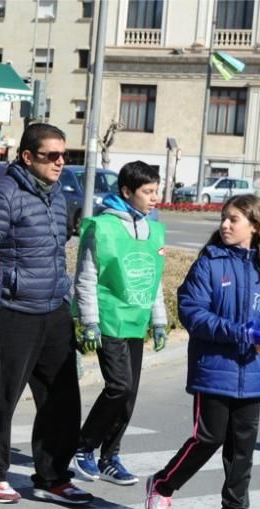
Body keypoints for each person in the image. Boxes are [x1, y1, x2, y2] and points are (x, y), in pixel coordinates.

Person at [145, 194, 260, 509]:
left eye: (233, 219)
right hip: (214, 367)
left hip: (251, 371)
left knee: (242, 447)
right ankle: (163, 485)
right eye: (224, 218)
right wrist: (239, 332)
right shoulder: (210, 262)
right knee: (207, 438)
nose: (224, 224)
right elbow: (193, 312)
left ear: (254, 226)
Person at [0, 123, 93, 506]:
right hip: (12, 311)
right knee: (1, 397)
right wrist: (1, 294)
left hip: (53, 309)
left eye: (65, 156)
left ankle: (53, 476)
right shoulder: (2, 194)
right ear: (27, 157)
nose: (60, 163)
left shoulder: (56, 196)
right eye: (51, 156)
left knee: (62, 398)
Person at [73, 161, 168, 485]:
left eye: (157, 190)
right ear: (127, 192)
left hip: (136, 321)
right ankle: (84, 446)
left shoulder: (154, 229)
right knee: (119, 386)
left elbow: (154, 279)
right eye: (148, 191)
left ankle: (110, 455)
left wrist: (159, 321)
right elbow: (86, 278)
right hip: (109, 319)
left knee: (130, 394)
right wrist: (89, 322)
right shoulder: (102, 227)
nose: (155, 197)